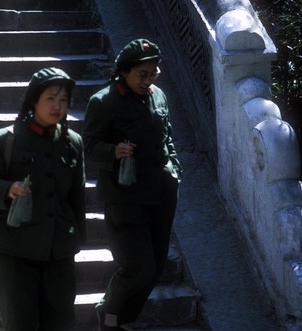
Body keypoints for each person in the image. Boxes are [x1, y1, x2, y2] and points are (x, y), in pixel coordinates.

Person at [0, 67, 86, 331]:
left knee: (62, 322)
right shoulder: (5, 139)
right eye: (50, 98)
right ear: (34, 100)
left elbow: (77, 196)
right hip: (17, 252)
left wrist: (77, 240)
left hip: (60, 251)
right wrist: (8, 189)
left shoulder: (73, 142)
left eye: (64, 100)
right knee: (20, 324)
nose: (58, 106)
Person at [82, 38, 182, 330]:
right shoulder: (103, 101)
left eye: (153, 74)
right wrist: (112, 152)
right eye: (142, 75)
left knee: (156, 267)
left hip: (161, 192)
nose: (148, 81)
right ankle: (108, 312)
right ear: (124, 71)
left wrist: (175, 170)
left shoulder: (158, 96)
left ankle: (122, 321)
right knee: (139, 267)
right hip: (125, 196)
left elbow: (168, 138)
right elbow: (88, 146)